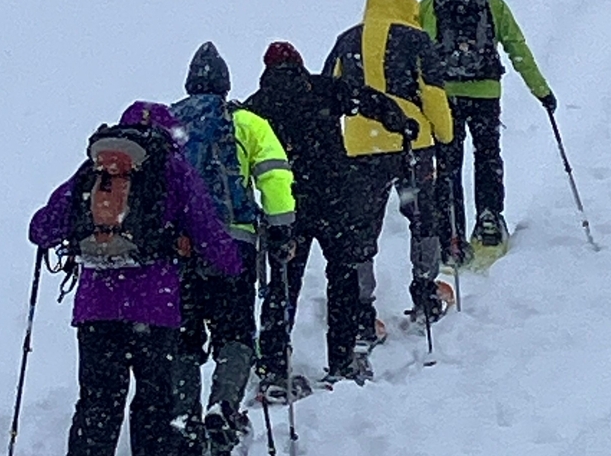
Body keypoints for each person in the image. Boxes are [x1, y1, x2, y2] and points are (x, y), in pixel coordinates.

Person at [28, 101, 241, 456]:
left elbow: (42, 229)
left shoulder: (96, 170)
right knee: (154, 406)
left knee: (97, 404)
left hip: (97, 309)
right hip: (155, 310)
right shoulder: (174, 169)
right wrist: (233, 266)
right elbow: (208, 232)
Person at [244, 41, 419, 392]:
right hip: (334, 200)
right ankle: (342, 360)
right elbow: (368, 100)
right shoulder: (322, 88)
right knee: (342, 277)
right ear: (298, 62)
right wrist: (401, 123)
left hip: (286, 209)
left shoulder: (256, 108)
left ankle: (273, 366)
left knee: (282, 284)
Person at [159, 42, 296, 454]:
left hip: (180, 246)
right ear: (224, 85)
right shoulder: (246, 122)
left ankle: (185, 414)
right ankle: (223, 405)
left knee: (184, 337)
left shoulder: (166, 125)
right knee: (235, 332)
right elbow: (274, 177)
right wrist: (281, 230)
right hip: (234, 243)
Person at [322, 0, 454, 327]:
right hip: (412, 144)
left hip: (360, 149)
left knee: (362, 227)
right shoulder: (415, 39)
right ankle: (426, 290)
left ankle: (362, 307)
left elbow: (327, 96)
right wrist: (445, 136)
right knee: (422, 217)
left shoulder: (346, 40)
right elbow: (434, 95)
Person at [418, 0, 557, 261]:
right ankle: (490, 219)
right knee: (487, 156)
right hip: (486, 95)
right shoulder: (492, 3)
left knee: (448, 164)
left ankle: (451, 231)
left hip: (445, 98)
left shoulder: (430, 4)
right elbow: (517, 49)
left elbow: (417, 52)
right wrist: (541, 91)